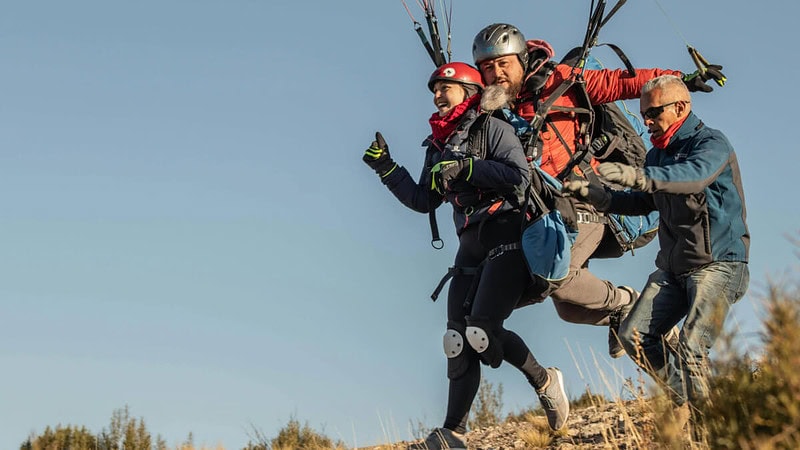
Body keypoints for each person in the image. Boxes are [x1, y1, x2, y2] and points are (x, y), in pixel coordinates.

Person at [471, 23, 712, 358]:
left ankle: (628, 304)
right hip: (546, 216)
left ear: (523, 59)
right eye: (487, 67)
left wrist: (680, 81)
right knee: (568, 308)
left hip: (587, 202)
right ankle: (633, 330)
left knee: (561, 277)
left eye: (503, 63)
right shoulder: (495, 113)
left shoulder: (561, 82)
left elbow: (621, 82)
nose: (496, 73)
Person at [362, 62, 570, 449]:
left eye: (446, 88)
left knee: (481, 331)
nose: (438, 96)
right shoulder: (438, 144)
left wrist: (469, 167)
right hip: (470, 243)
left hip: (507, 232)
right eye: (435, 90)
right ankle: (453, 432)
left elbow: (518, 176)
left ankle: (544, 380)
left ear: (469, 90)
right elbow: (424, 200)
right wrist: (386, 168)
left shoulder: (492, 127)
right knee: (456, 339)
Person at [562, 74, 749, 416]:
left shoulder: (711, 144)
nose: (647, 121)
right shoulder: (655, 156)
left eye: (654, 112)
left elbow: (691, 177)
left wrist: (642, 178)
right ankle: (701, 404)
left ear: (680, 107)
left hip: (720, 265)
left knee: (692, 349)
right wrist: (598, 196)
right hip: (674, 269)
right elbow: (643, 202)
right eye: (644, 114)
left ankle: (707, 423)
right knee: (635, 337)